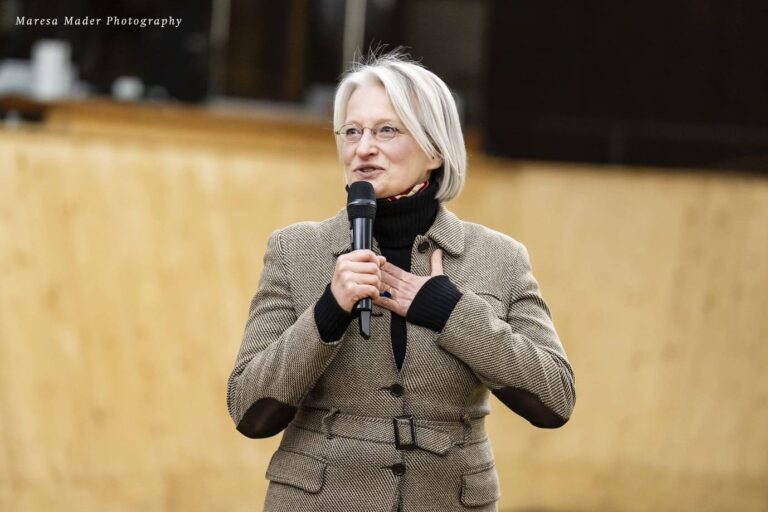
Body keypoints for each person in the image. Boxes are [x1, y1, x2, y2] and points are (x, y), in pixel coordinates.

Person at [226, 51, 575, 512]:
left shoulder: (498, 257)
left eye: (387, 130)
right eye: (352, 131)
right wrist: (330, 309)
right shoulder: (296, 250)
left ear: (435, 150)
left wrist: (451, 312)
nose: (363, 148)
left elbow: (555, 399)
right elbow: (249, 411)